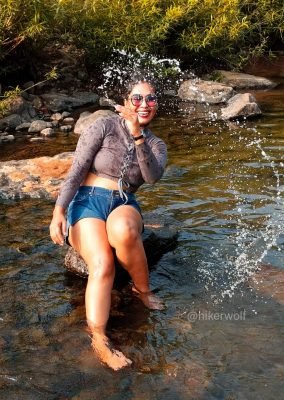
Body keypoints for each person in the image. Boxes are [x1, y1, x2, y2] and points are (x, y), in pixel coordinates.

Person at [49, 75, 167, 370]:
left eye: (150, 99)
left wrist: (138, 134)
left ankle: (143, 290)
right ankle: (99, 339)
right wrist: (59, 211)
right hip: (87, 200)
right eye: (137, 98)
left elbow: (151, 177)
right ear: (126, 102)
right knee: (102, 263)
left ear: (156, 106)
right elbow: (77, 169)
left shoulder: (156, 143)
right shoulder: (103, 126)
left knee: (125, 231)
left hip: (124, 203)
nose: (144, 104)